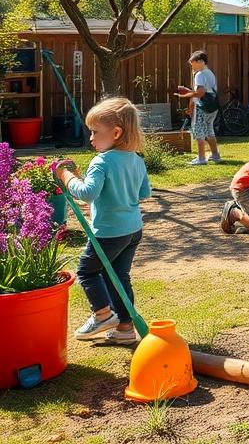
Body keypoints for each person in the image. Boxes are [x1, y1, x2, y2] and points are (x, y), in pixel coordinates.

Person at [56, 97, 151, 345]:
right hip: (132, 229)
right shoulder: (136, 160)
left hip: (109, 232)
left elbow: (87, 193)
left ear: (116, 132)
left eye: (95, 132)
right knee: (119, 276)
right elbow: (143, 194)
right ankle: (125, 328)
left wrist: (65, 175)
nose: (91, 138)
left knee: (87, 272)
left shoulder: (102, 161)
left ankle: (103, 314)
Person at [175, 50, 221, 166]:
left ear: (200, 62)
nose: (192, 67)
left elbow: (200, 93)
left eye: (193, 63)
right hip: (213, 107)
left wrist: (185, 94)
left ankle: (201, 159)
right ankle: (215, 155)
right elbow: (206, 91)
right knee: (209, 130)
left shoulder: (200, 75)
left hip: (203, 107)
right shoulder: (210, 73)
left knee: (199, 131)